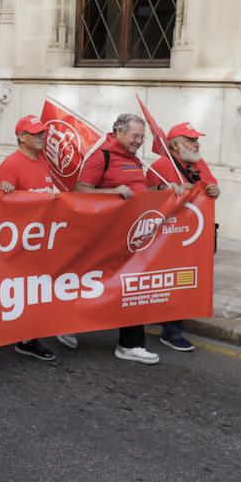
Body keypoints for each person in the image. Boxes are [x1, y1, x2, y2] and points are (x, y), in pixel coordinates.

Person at [75, 113, 182, 364]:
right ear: (119, 132)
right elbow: (79, 190)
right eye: (135, 136)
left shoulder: (133, 159)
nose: (139, 141)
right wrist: (112, 191)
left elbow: (139, 193)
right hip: (106, 235)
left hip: (133, 235)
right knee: (96, 284)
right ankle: (66, 324)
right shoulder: (101, 156)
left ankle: (130, 344)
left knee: (131, 286)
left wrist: (163, 190)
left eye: (142, 137)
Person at [145, 121, 220, 351]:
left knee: (188, 280)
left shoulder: (197, 163)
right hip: (171, 236)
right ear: (175, 145)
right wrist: (169, 193)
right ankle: (171, 331)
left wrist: (214, 190)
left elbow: (211, 186)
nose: (196, 143)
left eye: (196, 139)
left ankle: (172, 325)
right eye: (190, 139)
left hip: (196, 233)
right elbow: (147, 199)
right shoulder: (161, 166)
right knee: (174, 280)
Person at [0, 115, 61, 362]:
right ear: (22, 137)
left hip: (43, 239)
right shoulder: (10, 165)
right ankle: (25, 338)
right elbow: (2, 205)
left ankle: (27, 337)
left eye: (43, 133)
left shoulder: (43, 161)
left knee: (37, 290)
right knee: (23, 290)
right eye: (36, 134)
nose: (42, 137)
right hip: (21, 242)